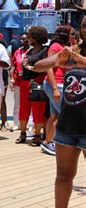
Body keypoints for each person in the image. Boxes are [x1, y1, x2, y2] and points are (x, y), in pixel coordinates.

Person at [34, 16, 86, 208]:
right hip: (68, 123)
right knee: (63, 176)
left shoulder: (76, 54)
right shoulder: (71, 50)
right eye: (84, 24)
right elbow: (38, 65)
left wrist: (79, 60)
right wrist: (60, 60)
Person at [40, 26, 75, 156]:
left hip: (60, 84)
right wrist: (55, 88)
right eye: (71, 34)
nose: (74, 36)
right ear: (64, 34)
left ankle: (48, 141)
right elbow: (49, 68)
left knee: (54, 115)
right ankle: (54, 142)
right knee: (64, 115)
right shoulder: (55, 46)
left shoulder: (63, 46)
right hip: (56, 84)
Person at [15, 26, 48, 145]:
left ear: (35, 37)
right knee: (23, 109)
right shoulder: (29, 50)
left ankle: (38, 135)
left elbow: (46, 68)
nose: (28, 38)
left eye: (29, 36)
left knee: (38, 109)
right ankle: (22, 133)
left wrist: (29, 67)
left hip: (38, 83)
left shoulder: (45, 50)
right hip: (25, 83)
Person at [10, 32, 29, 132]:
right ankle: (17, 123)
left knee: (29, 104)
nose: (21, 41)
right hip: (18, 81)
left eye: (24, 39)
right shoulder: (17, 51)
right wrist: (12, 78)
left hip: (29, 81)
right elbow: (12, 66)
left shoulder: (32, 51)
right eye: (20, 39)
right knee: (17, 104)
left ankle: (30, 125)